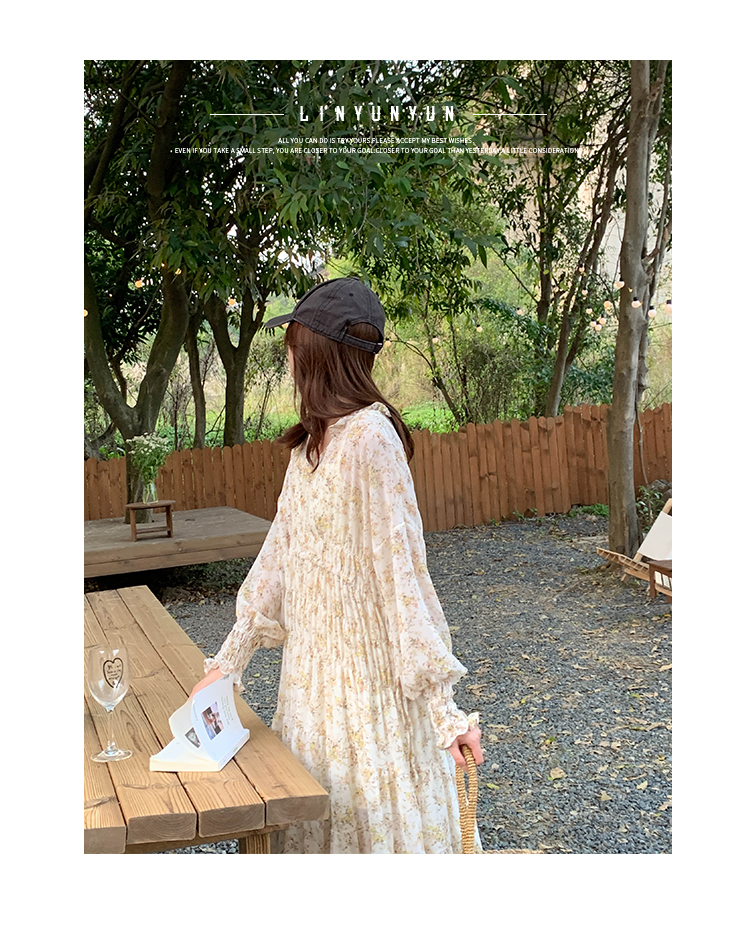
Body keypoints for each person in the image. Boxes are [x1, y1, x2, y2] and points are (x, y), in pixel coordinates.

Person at [190, 277, 484, 853]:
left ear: (321, 353)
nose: (290, 359)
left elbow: (404, 579)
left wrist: (444, 713)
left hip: (366, 694)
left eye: (295, 345)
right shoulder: (309, 447)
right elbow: (279, 555)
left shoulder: (373, 439)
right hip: (310, 685)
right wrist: (229, 662)